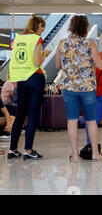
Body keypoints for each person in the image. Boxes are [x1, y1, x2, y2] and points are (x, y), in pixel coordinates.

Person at [56, 15, 102, 162]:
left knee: (72, 120)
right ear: (86, 28)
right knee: (91, 120)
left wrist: (70, 66)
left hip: (68, 87)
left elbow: (58, 65)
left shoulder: (62, 43)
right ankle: (94, 153)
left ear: (71, 27)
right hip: (87, 87)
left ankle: (75, 155)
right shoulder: (90, 44)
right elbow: (100, 65)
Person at [8, 15, 50, 160]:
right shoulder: (36, 39)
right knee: (32, 115)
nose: (43, 30)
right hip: (34, 78)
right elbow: (37, 62)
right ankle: (28, 150)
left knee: (20, 115)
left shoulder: (18, 38)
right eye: (42, 27)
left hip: (21, 79)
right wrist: (45, 54)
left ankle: (12, 150)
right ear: (38, 26)